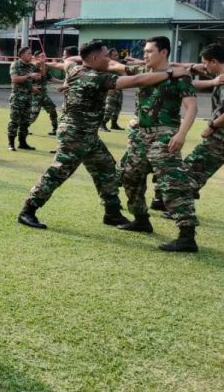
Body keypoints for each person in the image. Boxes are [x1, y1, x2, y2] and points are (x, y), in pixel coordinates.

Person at [17, 40, 190, 231]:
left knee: (106, 169)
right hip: (75, 135)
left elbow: (70, 59)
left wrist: (84, 55)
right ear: (94, 58)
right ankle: (28, 210)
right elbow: (137, 81)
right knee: (58, 172)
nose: (109, 60)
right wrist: (169, 73)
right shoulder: (96, 78)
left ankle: (112, 212)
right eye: (105, 56)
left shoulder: (74, 68)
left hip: (88, 135)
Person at [117, 36, 200, 252]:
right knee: (130, 177)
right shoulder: (144, 73)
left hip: (164, 135)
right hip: (140, 136)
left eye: (149, 51)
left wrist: (181, 134)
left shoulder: (180, 76)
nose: (145, 55)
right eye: (144, 51)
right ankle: (141, 219)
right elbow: (114, 68)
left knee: (172, 183)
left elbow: (192, 107)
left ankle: (187, 235)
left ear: (163, 52)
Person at [179, 44, 224, 203]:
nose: (204, 66)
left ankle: (181, 207)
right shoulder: (218, 76)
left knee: (192, 169)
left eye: (205, 62)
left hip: (220, 136)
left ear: (214, 62)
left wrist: (212, 126)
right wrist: (194, 69)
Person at [7, 46, 42, 151]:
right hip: (17, 98)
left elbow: (42, 74)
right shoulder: (15, 64)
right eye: (28, 53)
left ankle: (22, 143)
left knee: (25, 122)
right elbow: (14, 79)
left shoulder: (31, 66)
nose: (31, 55)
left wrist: (42, 63)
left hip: (28, 98)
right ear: (21, 54)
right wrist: (30, 76)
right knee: (14, 121)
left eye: (31, 53)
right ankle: (11, 143)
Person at [28, 51, 59, 136]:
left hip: (43, 94)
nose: (44, 57)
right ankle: (23, 128)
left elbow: (50, 78)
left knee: (52, 110)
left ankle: (55, 130)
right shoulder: (32, 67)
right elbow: (42, 74)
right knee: (34, 114)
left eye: (44, 56)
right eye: (42, 56)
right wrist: (42, 64)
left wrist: (62, 81)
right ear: (36, 57)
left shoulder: (45, 66)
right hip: (35, 94)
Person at [101, 48, 125, 131]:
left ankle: (114, 124)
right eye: (115, 55)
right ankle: (102, 124)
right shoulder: (107, 65)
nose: (117, 57)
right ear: (110, 56)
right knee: (109, 108)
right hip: (111, 89)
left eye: (117, 55)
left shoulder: (119, 64)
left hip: (119, 89)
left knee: (118, 107)